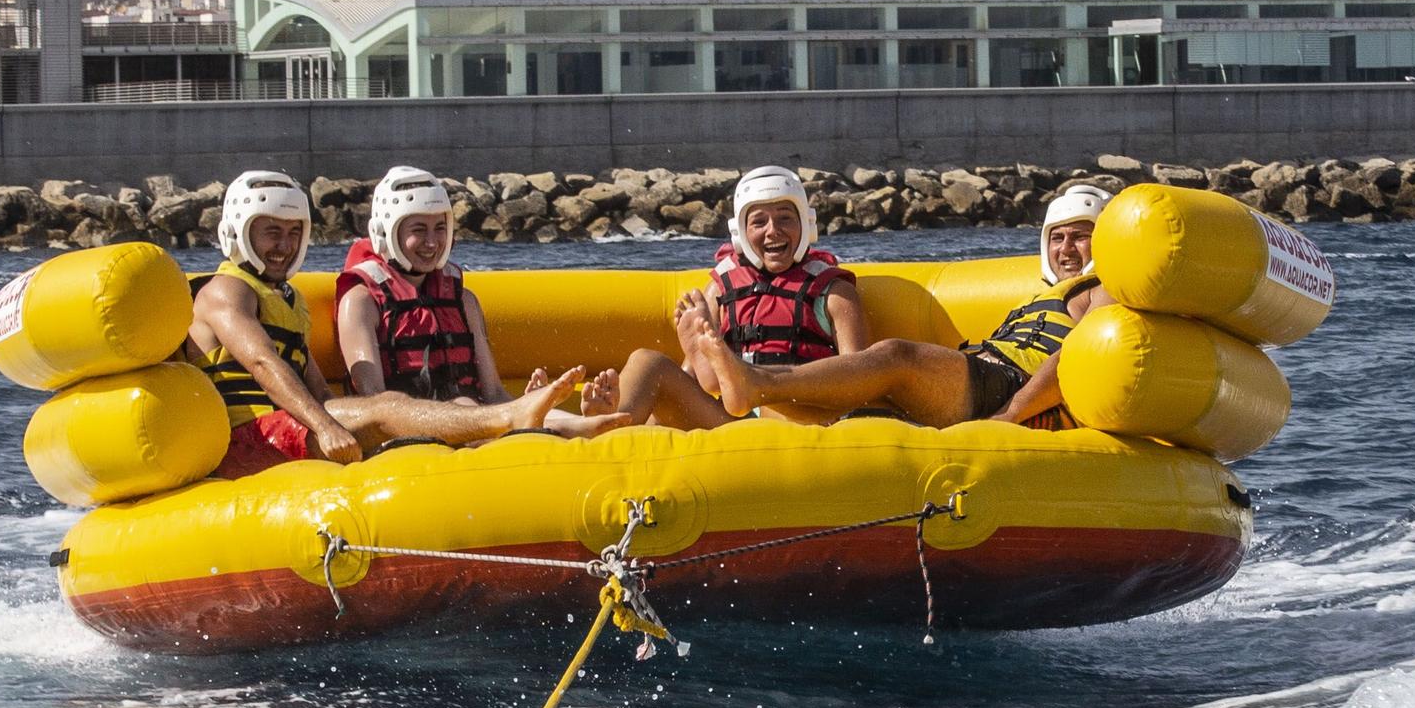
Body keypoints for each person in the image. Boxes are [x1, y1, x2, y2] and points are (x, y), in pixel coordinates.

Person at [182, 171, 589, 479]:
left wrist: (344, 422)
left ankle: (530, 427)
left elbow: (319, 390)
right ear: (238, 231)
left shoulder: (287, 300)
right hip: (245, 439)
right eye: (272, 232)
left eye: (294, 232)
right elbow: (263, 365)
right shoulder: (225, 290)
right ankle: (508, 420)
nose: (285, 246)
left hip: (289, 426)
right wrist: (327, 426)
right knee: (386, 408)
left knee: (387, 410)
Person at [682, 184, 1117, 429]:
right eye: (1057, 238)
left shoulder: (1104, 290)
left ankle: (753, 382)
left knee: (896, 356)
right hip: (975, 376)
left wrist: (1014, 412)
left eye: (1080, 236)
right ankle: (746, 394)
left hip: (1005, 386)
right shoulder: (1038, 297)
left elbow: (1079, 354)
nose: (1066, 249)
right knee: (827, 414)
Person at [334, 166, 629, 437]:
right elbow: (374, 406)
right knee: (469, 405)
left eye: (440, 228)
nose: (433, 242)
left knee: (481, 406)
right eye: (418, 230)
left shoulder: (463, 301)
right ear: (385, 233)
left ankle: (572, 424)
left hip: (477, 421)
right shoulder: (361, 302)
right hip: (410, 436)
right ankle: (562, 428)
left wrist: (528, 404)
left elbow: (495, 393)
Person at [590, 165, 871, 429]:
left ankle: (751, 384)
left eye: (785, 217)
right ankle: (611, 426)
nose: (773, 230)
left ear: (806, 224)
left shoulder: (834, 292)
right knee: (647, 362)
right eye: (759, 222)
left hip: (797, 417)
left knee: (775, 401)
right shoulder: (720, 291)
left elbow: (858, 377)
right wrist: (692, 365)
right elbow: (692, 379)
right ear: (741, 234)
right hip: (730, 421)